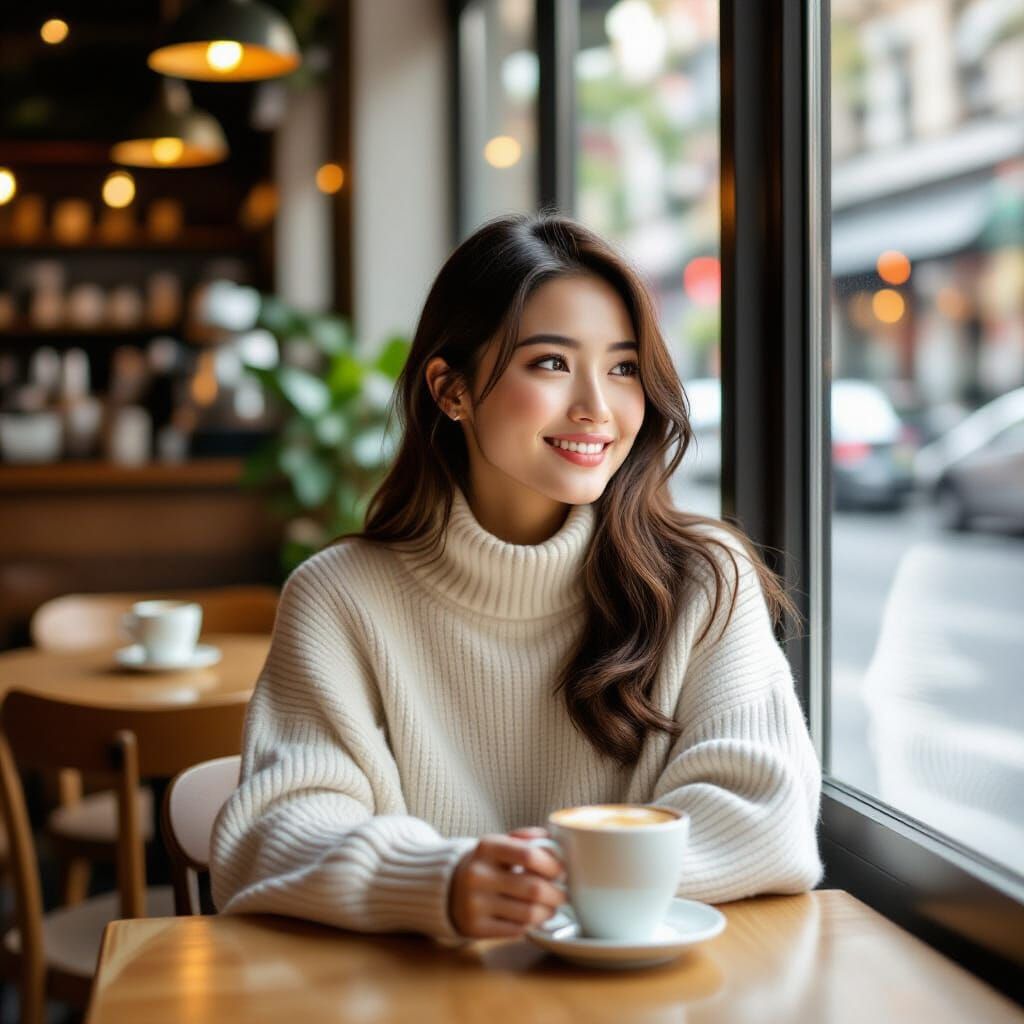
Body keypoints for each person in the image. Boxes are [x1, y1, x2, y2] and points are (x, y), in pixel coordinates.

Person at [209, 212, 824, 943]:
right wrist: (442, 880)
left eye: (624, 367)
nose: (599, 407)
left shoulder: (703, 581)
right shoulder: (339, 597)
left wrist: (523, 887)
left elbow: (766, 819)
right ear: (452, 390)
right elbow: (273, 832)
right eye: (552, 363)